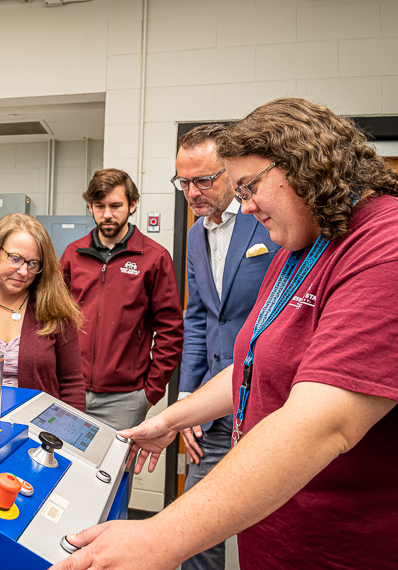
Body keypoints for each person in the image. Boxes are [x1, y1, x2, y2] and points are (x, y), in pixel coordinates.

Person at [50, 98, 398, 570]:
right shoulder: (301, 244)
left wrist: (161, 537)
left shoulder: (384, 245)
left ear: (302, 166)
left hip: (345, 543)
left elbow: (326, 422)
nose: (248, 205)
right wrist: (174, 417)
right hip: (279, 534)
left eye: (250, 187)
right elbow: (254, 358)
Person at [173, 124, 279, 570]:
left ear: (230, 173)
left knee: (273, 527)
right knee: (194, 531)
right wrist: (186, 400)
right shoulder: (196, 236)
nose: (193, 192)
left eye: (204, 180)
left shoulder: (267, 219)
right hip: (214, 407)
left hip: (271, 403)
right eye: (183, 183)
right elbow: (199, 319)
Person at [60, 169, 183, 430]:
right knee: (66, 469)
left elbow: (170, 330)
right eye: (99, 206)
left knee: (113, 472)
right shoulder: (73, 254)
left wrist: (151, 392)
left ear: (132, 204)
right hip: (71, 392)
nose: (107, 214)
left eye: (115, 206)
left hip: (124, 399)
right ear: (90, 207)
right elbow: (54, 318)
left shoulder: (154, 258)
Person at [0, 213, 86, 411]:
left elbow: (72, 384)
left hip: (37, 434)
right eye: (15, 258)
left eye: (33, 264)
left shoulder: (55, 311)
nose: (23, 271)